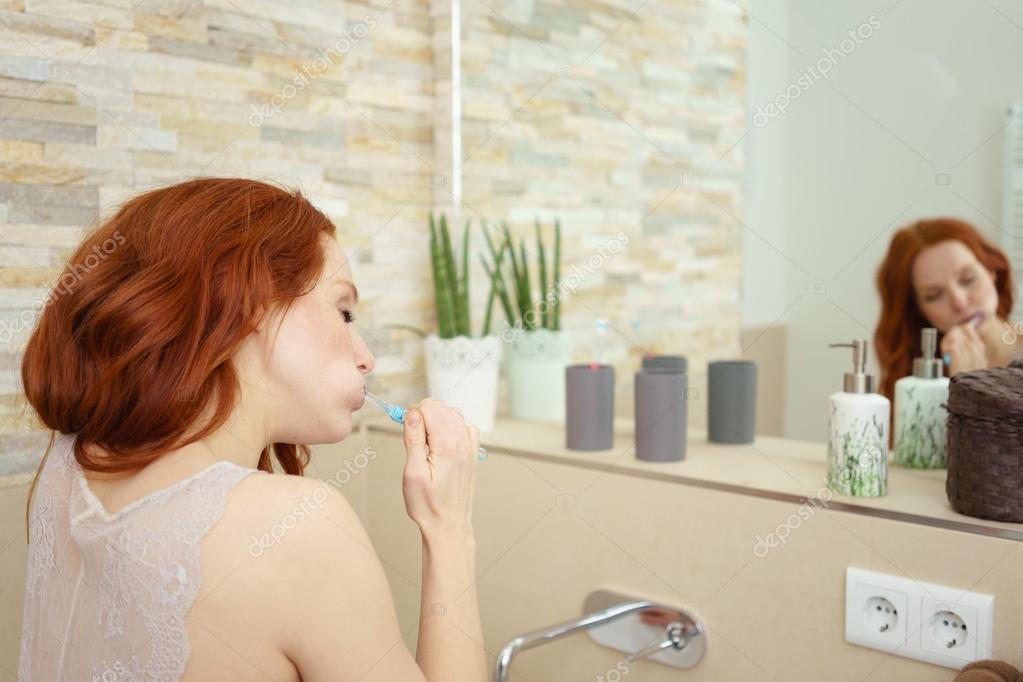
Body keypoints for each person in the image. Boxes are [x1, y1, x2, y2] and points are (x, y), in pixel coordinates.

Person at [18, 178, 486, 681]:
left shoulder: (71, 466)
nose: (366, 358)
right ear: (249, 302)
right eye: (344, 311)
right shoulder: (296, 524)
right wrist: (449, 529)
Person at [874, 217, 1018, 402]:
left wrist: (974, 385)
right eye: (934, 295)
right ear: (918, 310)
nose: (959, 302)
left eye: (968, 279)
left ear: (992, 271)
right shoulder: (920, 383)